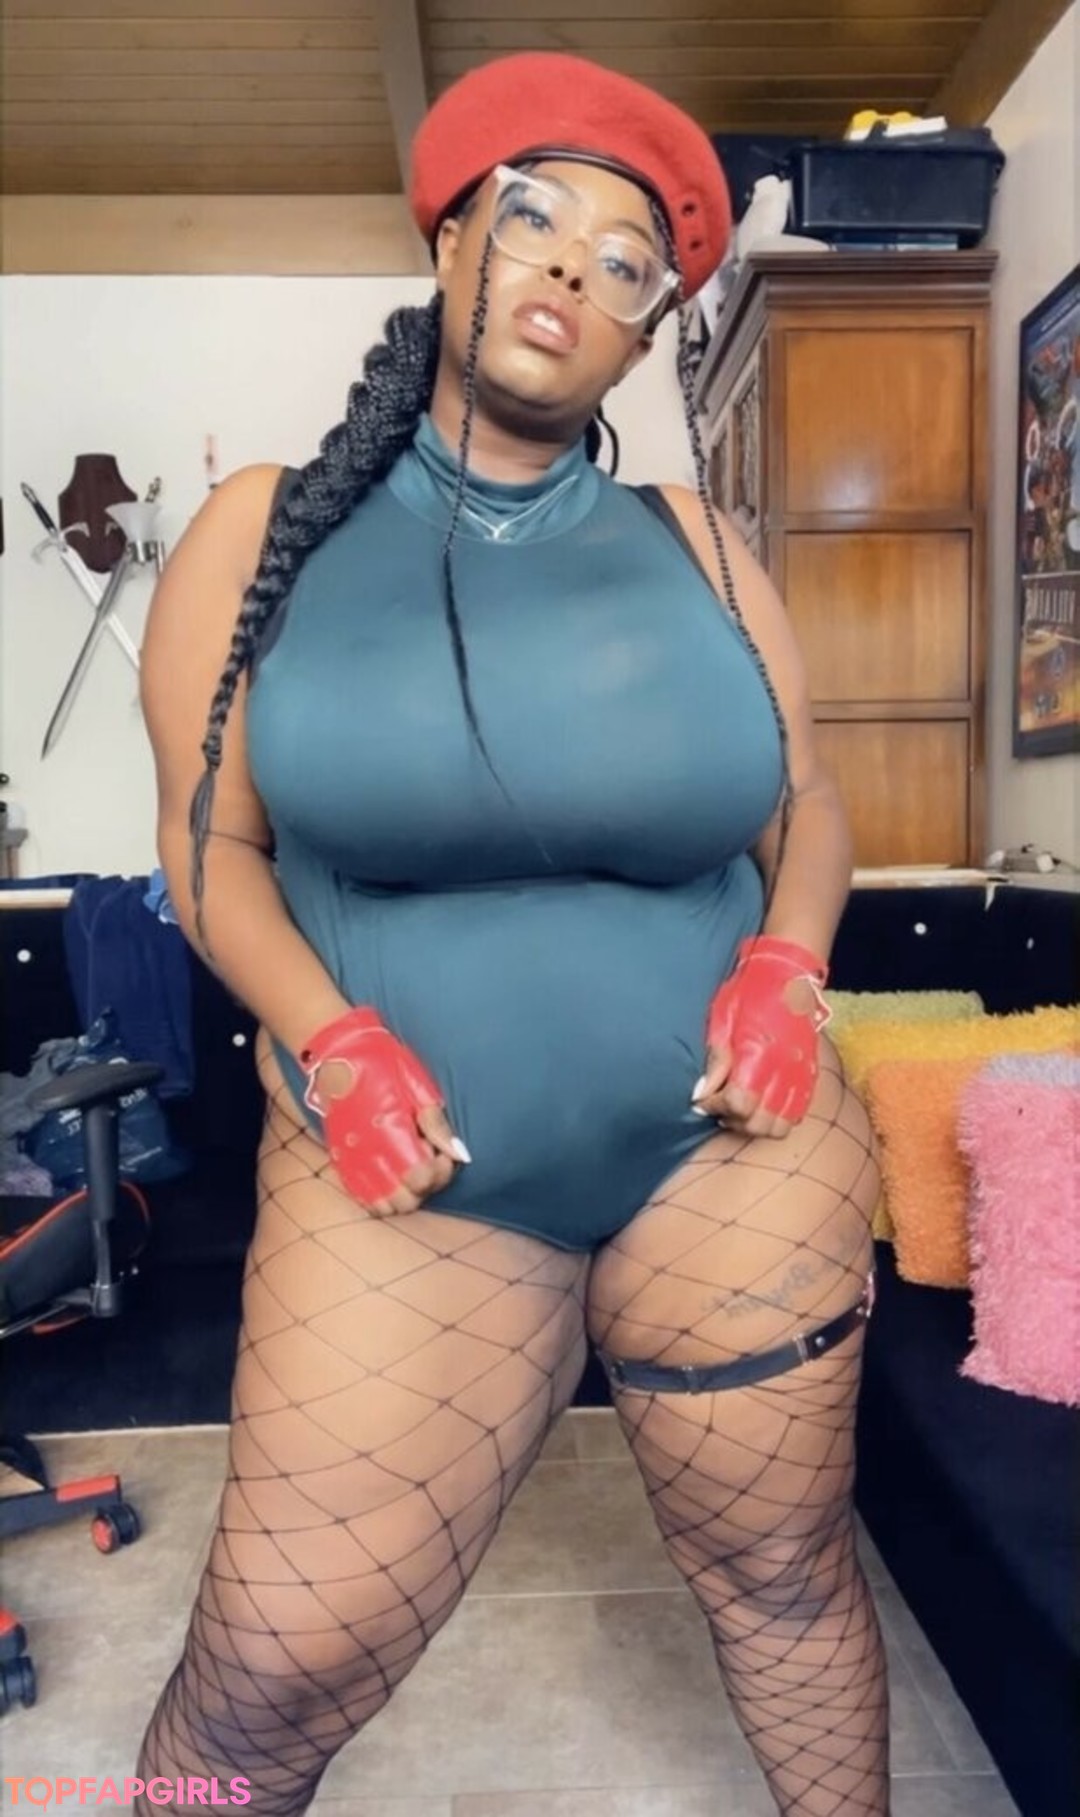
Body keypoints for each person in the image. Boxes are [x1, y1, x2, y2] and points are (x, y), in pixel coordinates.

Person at [135, 51, 886, 1817]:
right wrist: (333, 1037)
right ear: (453, 237)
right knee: (271, 1665)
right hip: (410, 1172)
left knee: (784, 1578)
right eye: (537, 216)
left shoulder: (697, 543)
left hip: (733, 1152)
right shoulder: (262, 531)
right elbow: (209, 845)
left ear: (641, 337)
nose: (572, 267)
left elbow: (808, 803)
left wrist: (788, 967)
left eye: (629, 263)